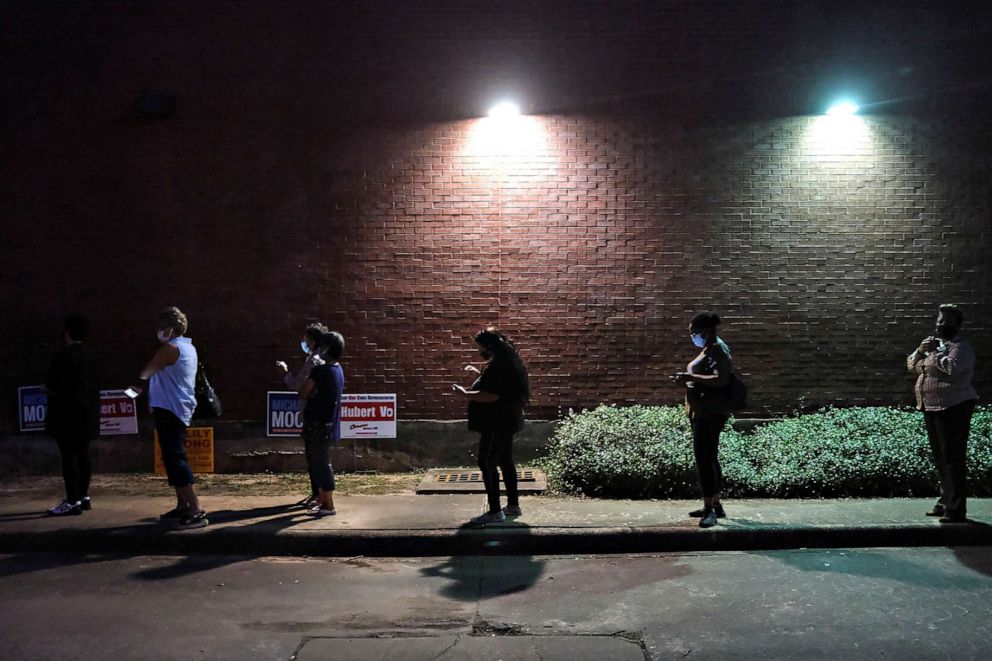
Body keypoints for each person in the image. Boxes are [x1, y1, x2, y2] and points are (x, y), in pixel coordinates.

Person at [132, 307, 208, 530]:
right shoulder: (189, 348)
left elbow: (147, 371)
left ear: (171, 329)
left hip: (169, 409)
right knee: (172, 457)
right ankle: (183, 504)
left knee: (175, 459)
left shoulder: (170, 348)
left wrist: (138, 384)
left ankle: (195, 510)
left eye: (161, 328)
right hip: (178, 408)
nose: (158, 332)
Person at [907, 304, 979, 523]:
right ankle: (944, 503)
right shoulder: (935, 347)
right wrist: (921, 351)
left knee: (953, 458)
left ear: (957, 325)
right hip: (931, 407)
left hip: (954, 407)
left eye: (946, 322)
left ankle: (956, 509)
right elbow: (913, 366)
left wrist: (934, 354)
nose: (941, 325)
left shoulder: (960, 347)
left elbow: (953, 369)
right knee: (941, 458)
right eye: (939, 321)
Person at [452, 327, 530, 526]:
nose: (480, 351)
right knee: (505, 460)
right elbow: (499, 386)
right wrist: (479, 374)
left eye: (481, 347)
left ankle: (495, 511)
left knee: (487, 462)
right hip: (506, 419)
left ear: (490, 346)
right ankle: (513, 505)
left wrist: (465, 395)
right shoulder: (507, 362)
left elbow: (492, 395)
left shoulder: (500, 365)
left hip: (497, 421)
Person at [675, 311, 735, 529]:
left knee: (704, 459)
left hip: (710, 413)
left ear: (706, 330)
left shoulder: (718, 349)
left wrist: (691, 377)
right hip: (702, 411)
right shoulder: (709, 348)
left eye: (694, 332)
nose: (692, 336)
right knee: (709, 457)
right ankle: (715, 504)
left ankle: (710, 509)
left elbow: (721, 379)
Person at [43, 314, 101, 516]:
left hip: (67, 415)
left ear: (67, 332)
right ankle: (84, 497)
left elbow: (52, 386)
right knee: (83, 455)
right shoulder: (92, 356)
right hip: (88, 414)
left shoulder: (64, 356)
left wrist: (47, 389)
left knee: (68, 457)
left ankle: (72, 500)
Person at [277, 322, 329, 508]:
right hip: (319, 413)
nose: (304, 343)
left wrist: (285, 373)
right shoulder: (324, 360)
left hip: (311, 413)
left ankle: (319, 496)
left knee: (314, 458)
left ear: (313, 341)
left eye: (306, 339)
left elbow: (299, 386)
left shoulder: (313, 361)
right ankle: (318, 494)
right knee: (317, 457)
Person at [298, 331, 345, 517]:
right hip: (328, 423)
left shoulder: (320, 371)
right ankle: (323, 500)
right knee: (321, 462)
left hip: (316, 423)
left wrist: (311, 392)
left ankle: (328, 504)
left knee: (320, 464)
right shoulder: (338, 370)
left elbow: (303, 391)